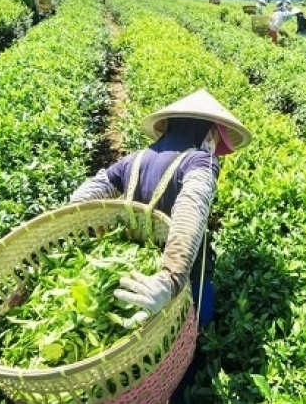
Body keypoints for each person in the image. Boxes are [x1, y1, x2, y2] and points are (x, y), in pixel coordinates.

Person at [69, 89, 252, 402]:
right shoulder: (200, 161)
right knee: (181, 357)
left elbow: (79, 201)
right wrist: (170, 277)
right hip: (175, 287)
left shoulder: (132, 160)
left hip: (132, 281)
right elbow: (192, 206)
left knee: (135, 361)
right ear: (208, 132)